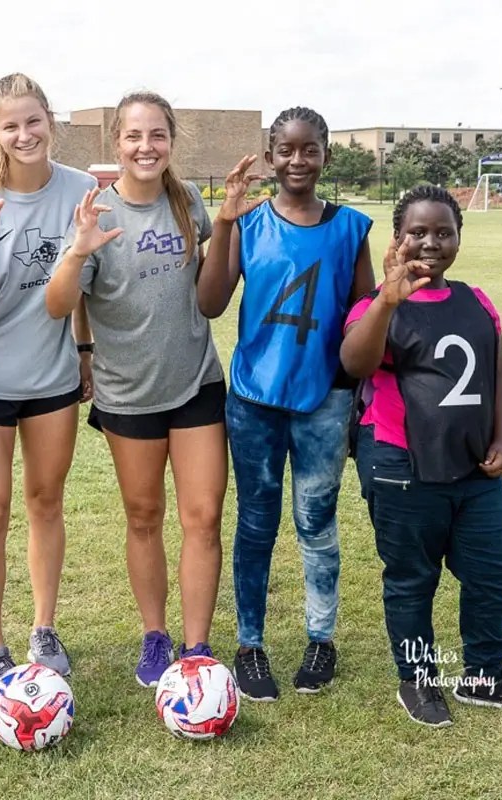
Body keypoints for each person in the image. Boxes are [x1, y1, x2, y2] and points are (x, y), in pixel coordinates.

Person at [341, 185, 502, 728]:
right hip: (401, 466)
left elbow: (498, 375)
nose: (430, 242)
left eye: (443, 232)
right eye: (417, 232)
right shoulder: (376, 305)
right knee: (412, 579)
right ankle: (418, 679)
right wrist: (387, 301)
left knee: (493, 570)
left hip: (473, 469)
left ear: (459, 237)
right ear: (397, 239)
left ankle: (483, 674)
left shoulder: (476, 300)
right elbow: (355, 363)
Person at [46, 91, 226, 688]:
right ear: (115, 143)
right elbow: (61, 304)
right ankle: (155, 635)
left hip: (196, 382)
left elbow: (205, 282)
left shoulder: (189, 200)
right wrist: (78, 253)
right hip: (128, 393)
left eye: (157, 135)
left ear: (171, 141)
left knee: (203, 517)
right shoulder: (97, 213)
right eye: (133, 136)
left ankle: (197, 646)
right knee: (145, 515)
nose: (146, 147)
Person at [197, 107, 375, 701]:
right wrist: (225, 220)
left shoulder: (350, 228)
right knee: (255, 522)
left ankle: (321, 637)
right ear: (270, 156)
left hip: (325, 400)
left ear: (326, 155)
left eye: (310, 149)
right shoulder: (248, 224)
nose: (298, 160)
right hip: (255, 399)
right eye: (286, 150)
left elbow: (363, 321)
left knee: (316, 522)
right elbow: (210, 303)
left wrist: (360, 402)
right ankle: (250, 644)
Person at [0, 73, 97, 688]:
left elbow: (77, 289)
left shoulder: (82, 188)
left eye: (33, 121)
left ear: (50, 121)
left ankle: (43, 626)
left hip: (52, 374)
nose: (24, 134)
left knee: (46, 500)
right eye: (10, 125)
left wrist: (84, 349)